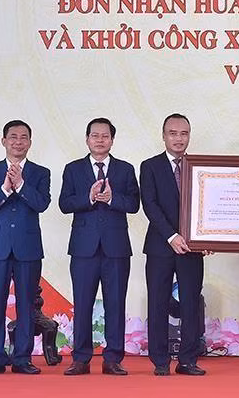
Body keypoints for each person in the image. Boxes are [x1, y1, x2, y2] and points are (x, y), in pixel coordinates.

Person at [59, 118, 140, 376]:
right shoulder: (73, 169)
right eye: (95, 135)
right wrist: (89, 197)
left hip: (116, 249)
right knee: (82, 304)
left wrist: (113, 198)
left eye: (105, 136)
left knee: (115, 304)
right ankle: (81, 359)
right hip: (84, 249)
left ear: (112, 140)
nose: (100, 140)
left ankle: (113, 359)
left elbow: (134, 204)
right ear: (87, 139)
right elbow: (64, 204)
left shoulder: (125, 169)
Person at [0, 120, 51, 375]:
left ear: (30, 143)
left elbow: (42, 204)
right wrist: (5, 189)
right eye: (13, 137)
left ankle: (22, 358)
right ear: (3, 141)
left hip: (28, 248)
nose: (18, 142)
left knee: (26, 305)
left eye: (23, 138)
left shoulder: (41, 173)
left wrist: (20, 185)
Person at [140, 114, 207, 376]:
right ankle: (160, 361)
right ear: (163, 135)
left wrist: (207, 237)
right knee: (158, 302)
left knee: (191, 303)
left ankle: (188, 360)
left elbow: (208, 207)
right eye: (173, 133)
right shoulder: (150, 166)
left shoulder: (201, 166)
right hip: (160, 246)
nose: (179, 138)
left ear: (189, 136)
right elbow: (150, 205)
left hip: (192, 248)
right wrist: (172, 236)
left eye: (184, 134)